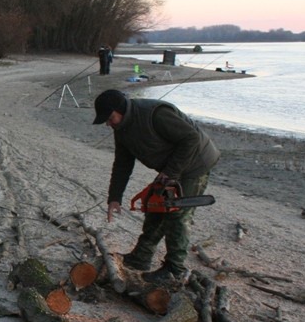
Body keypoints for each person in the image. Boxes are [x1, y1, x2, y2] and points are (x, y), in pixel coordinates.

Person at [92, 88, 220, 285]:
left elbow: (191, 138)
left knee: (177, 215)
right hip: (172, 169)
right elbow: (122, 164)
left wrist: (171, 172)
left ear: (120, 110)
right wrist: (114, 197)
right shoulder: (122, 130)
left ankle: (175, 269)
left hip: (195, 163)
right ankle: (141, 257)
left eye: (110, 118)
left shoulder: (156, 114)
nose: (108, 124)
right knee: (155, 207)